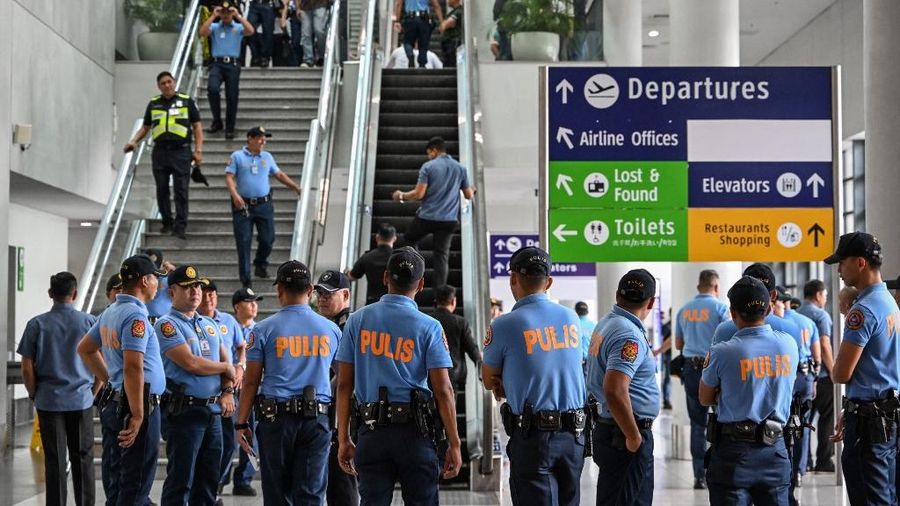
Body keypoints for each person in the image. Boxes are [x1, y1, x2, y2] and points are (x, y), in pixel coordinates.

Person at [335, 247, 462, 504]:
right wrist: (455, 443)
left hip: (371, 433)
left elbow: (344, 385)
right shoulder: (430, 327)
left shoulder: (357, 321)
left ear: (385, 278)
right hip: (416, 434)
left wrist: (343, 438)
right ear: (422, 284)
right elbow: (443, 390)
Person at [482, 247, 586, 505]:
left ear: (513, 279)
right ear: (549, 282)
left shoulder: (505, 324)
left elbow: (489, 378)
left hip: (534, 438)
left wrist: (512, 382)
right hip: (575, 435)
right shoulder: (571, 318)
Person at [235, 260, 342, 503]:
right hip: (317, 420)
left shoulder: (262, 330)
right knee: (311, 493)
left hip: (276, 421)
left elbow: (251, 382)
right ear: (310, 290)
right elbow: (345, 379)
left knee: (277, 494)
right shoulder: (331, 330)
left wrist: (241, 423)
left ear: (279, 290)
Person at [699, 276, 799, 504]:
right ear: (769, 308)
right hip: (776, 448)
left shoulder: (722, 352)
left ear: (733, 313)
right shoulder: (789, 345)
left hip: (734, 454)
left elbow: (705, 398)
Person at [77, 255, 167, 506]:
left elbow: (85, 348)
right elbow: (133, 366)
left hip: (118, 400)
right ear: (144, 281)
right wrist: (138, 415)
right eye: (155, 279)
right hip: (136, 405)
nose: (158, 285)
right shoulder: (135, 317)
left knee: (119, 479)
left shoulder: (111, 311)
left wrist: (108, 378)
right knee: (135, 483)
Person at [825, 232, 900, 505]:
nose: (839, 272)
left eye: (841, 263)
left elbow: (841, 373)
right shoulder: (889, 303)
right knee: (887, 495)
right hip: (887, 416)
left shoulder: (862, 311)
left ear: (859, 263)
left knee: (870, 498)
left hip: (869, 425)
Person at [155, 266, 236, 505]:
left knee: (209, 479)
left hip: (213, 413)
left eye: (197, 286)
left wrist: (228, 390)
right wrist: (225, 369)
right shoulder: (166, 325)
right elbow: (191, 363)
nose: (196, 291)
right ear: (172, 293)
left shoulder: (210, 324)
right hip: (185, 413)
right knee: (182, 479)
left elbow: (226, 359)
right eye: (188, 287)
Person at [18, 272, 98, 506]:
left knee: (54, 460)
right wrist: (93, 391)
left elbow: (26, 368)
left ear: (51, 294)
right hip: (81, 399)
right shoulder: (89, 322)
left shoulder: (36, 324)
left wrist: (34, 393)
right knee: (83, 458)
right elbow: (101, 361)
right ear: (75, 294)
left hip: (49, 401)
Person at [587, 269, 660, 506]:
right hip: (624, 432)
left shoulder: (606, 323)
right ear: (651, 302)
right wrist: (633, 436)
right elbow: (615, 389)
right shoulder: (629, 335)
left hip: (613, 427)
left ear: (618, 294)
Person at [124, 72, 203, 239]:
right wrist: (133, 141)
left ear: (174, 82)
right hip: (160, 151)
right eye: (163, 83)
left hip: (181, 151)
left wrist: (198, 150)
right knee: (161, 188)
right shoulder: (154, 103)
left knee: (181, 190)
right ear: (159, 86)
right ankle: (167, 222)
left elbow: (197, 127)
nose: (167, 85)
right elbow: (145, 128)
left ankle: (180, 226)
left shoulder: (186, 101)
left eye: (169, 82)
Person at [196, 280, 256, 498]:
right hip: (206, 389)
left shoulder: (228, 321)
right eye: (205, 294)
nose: (209, 298)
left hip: (230, 389)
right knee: (212, 445)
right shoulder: (194, 321)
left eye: (213, 294)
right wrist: (227, 368)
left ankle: (216, 487)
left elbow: (241, 348)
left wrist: (240, 366)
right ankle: (210, 488)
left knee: (228, 441)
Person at [392, 137, 475, 288]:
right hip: (449, 220)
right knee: (441, 256)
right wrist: (473, 189)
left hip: (427, 217)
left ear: (434, 151)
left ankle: (414, 271)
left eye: (429, 153)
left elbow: (419, 194)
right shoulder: (460, 168)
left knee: (409, 239)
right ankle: (439, 294)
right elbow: (468, 195)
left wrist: (401, 196)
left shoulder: (428, 167)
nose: (428, 156)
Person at [225, 126, 302, 288]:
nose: (263, 141)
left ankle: (260, 263)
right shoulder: (237, 156)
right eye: (260, 138)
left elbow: (278, 174)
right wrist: (235, 195)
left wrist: (296, 187)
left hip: (264, 204)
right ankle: (246, 281)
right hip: (243, 205)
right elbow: (230, 177)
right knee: (243, 241)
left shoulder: (267, 156)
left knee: (268, 238)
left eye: (264, 138)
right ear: (250, 138)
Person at [674, 269, 729, 490]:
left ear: (699, 286)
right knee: (722, 421)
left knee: (697, 424)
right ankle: (718, 470)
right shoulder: (720, 308)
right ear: (716, 287)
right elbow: (729, 336)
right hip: (714, 367)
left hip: (690, 369)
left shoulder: (684, 310)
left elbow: (678, 344)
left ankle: (699, 475)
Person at [313, 270, 360, 506]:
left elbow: (348, 377)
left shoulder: (349, 326)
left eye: (328, 293)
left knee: (342, 478)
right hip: (331, 409)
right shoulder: (325, 325)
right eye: (319, 292)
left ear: (345, 295)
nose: (322, 298)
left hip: (343, 412)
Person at [776, 285, 821, 490]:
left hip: (786, 378)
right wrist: (815, 378)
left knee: (783, 425)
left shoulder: (776, 324)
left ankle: (785, 468)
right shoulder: (808, 323)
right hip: (806, 376)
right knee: (803, 425)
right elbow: (817, 355)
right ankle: (800, 471)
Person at [199, 2, 254, 140]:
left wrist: (238, 16)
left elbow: (250, 30)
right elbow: (203, 32)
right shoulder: (215, 26)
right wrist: (213, 16)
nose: (225, 15)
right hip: (217, 64)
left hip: (233, 65)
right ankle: (217, 120)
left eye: (228, 12)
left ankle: (230, 127)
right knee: (212, 89)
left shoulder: (237, 27)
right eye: (223, 12)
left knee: (232, 96)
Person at [229, 287, 264, 495]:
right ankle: (219, 479)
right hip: (230, 389)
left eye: (255, 301)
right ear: (237, 307)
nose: (254, 305)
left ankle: (244, 479)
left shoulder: (260, 330)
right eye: (249, 301)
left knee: (252, 435)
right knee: (227, 439)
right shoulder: (225, 327)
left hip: (253, 389)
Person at [798, 278, 836, 472]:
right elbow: (824, 345)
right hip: (820, 376)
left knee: (804, 420)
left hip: (802, 376)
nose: (826, 299)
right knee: (827, 418)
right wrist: (833, 372)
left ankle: (804, 461)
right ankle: (824, 459)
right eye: (825, 295)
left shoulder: (796, 314)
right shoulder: (821, 316)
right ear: (818, 295)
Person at [433, 284, 481, 390]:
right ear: (453, 301)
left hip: (430, 375)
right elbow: (472, 348)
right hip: (453, 376)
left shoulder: (428, 320)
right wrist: (480, 366)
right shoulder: (460, 322)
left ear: (436, 301)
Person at [347, 222, 396, 305]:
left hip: (373, 302)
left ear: (377, 237)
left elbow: (352, 276)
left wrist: (347, 272)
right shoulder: (398, 257)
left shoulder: (367, 257)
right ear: (394, 239)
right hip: (394, 301)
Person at [392, 0, 444, 69]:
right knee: (423, 44)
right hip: (424, 19)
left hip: (410, 18)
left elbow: (399, 4)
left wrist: (397, 21)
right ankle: (422, 65)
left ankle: (410, 55)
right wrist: (442, 22)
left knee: (407, 42)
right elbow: (436, 5)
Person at [143, 248, 176, 321]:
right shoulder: (138, 277)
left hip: (166, 321)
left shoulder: (169, 278)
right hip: (145, 320)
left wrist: (175, 273)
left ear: (162, 264)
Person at [653, 308, 673, 410]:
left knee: (669, 379)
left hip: (671, 355)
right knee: (668, 379)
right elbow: (667, 342)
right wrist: (658, 352)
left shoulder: (669, 326)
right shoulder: (668, 326)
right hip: (668, 356)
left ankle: (668, 400)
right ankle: (666, 400)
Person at [300, 0, 331, 67]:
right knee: (306, 33)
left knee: (319, 30)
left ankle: (322, 56)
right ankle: (308, 59)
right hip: (305, 6)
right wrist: (297, 7)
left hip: (320, 4)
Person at [246, 0, 276, 67]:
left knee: (268, 32)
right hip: (254, 4)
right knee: (250, 29)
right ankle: (255, 55)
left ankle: (265, 57)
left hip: (268, 3)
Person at [438, 0, 463, 67]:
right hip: (448, 43)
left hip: (453, 43)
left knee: (451, 64)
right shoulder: (453, 12)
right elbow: (442, 27)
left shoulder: (459, 11)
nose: (447, 1)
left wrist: (444, 25)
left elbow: (447, 24)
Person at [574, 301, 595, 368]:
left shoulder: (574, 324)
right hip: (592, 358)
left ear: (576, 311)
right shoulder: (594, 324)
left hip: (579, 360)